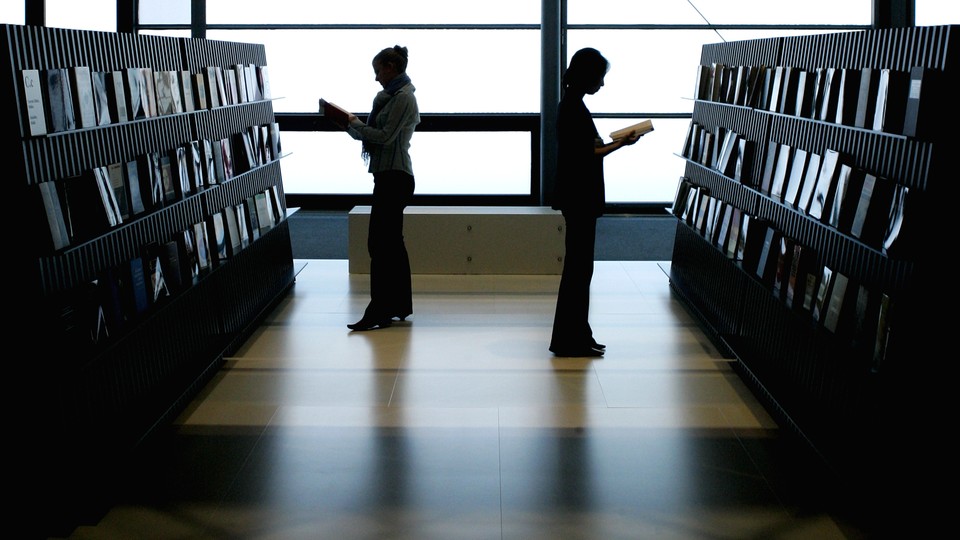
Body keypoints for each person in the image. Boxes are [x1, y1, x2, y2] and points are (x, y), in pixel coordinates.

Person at [549, 47, 645, 357]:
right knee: (579, 269)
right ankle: (570, 337)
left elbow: (585, 149)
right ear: (587, 75)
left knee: (579, 268)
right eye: (599, 77)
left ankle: (577, 333)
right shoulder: (573, 108)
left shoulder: (572, 105)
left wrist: (614, 143)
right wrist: (623, 143)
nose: (601, 84)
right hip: (580, 196)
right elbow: (587, 153)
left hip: (575, 196)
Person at [333, 45, 420, 331]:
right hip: (389, 176)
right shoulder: (393, 98)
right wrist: (352, 125)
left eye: (377, 71)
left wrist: (353, 123)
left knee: (380, 244)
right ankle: (396, 305)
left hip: (395, 177)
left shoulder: (403, 99)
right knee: (391, 244)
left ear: (390, 68)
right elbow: (381, 135)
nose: (376, 78)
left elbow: (384, 136)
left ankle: (379, 310)